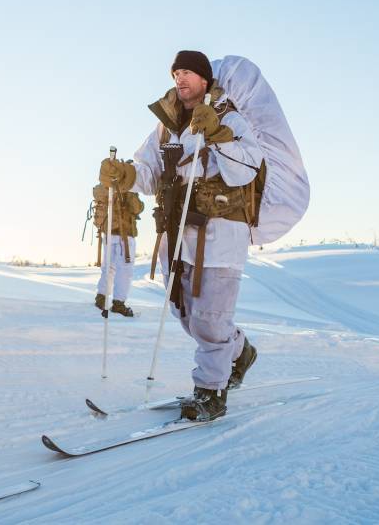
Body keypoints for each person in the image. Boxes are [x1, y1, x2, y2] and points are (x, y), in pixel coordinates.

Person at [100, 50, 263, 421]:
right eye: (176, 73)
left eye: (187, 72)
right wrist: (125, 175)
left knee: (210, 319)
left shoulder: (228, 116)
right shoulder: (166, 124)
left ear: (205, 79)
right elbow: (149, 171)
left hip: (219, 234)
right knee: (187, 315)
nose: (180, 79)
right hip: (176, 233)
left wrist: (218, 135)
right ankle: (241, 352)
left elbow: (247, 169)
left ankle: (211, 392)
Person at [92, 181, 143, 317]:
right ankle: (118, 303)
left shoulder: (106, 184)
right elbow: (137, 207)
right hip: (124, 235)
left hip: (108, 233)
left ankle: (101, 297)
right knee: (125, 270)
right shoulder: (128, 187)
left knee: (108, 267)